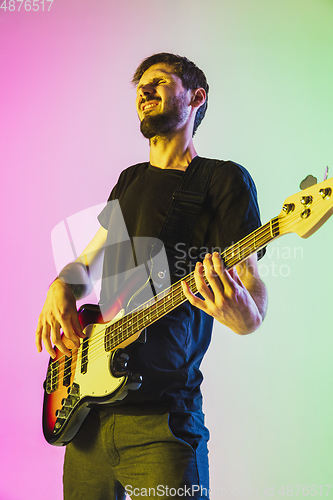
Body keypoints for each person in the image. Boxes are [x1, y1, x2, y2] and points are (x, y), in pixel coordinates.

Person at [36, 53, 268, 500]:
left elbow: (251, 288)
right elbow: (88, 262)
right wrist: (60, 285)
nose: (144, 89)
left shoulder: (223, 180)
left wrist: (246, 315)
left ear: (196, 98)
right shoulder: (130, 180)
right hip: (89, 421)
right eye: (140, 85)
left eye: (160, 81)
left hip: (162, 421)